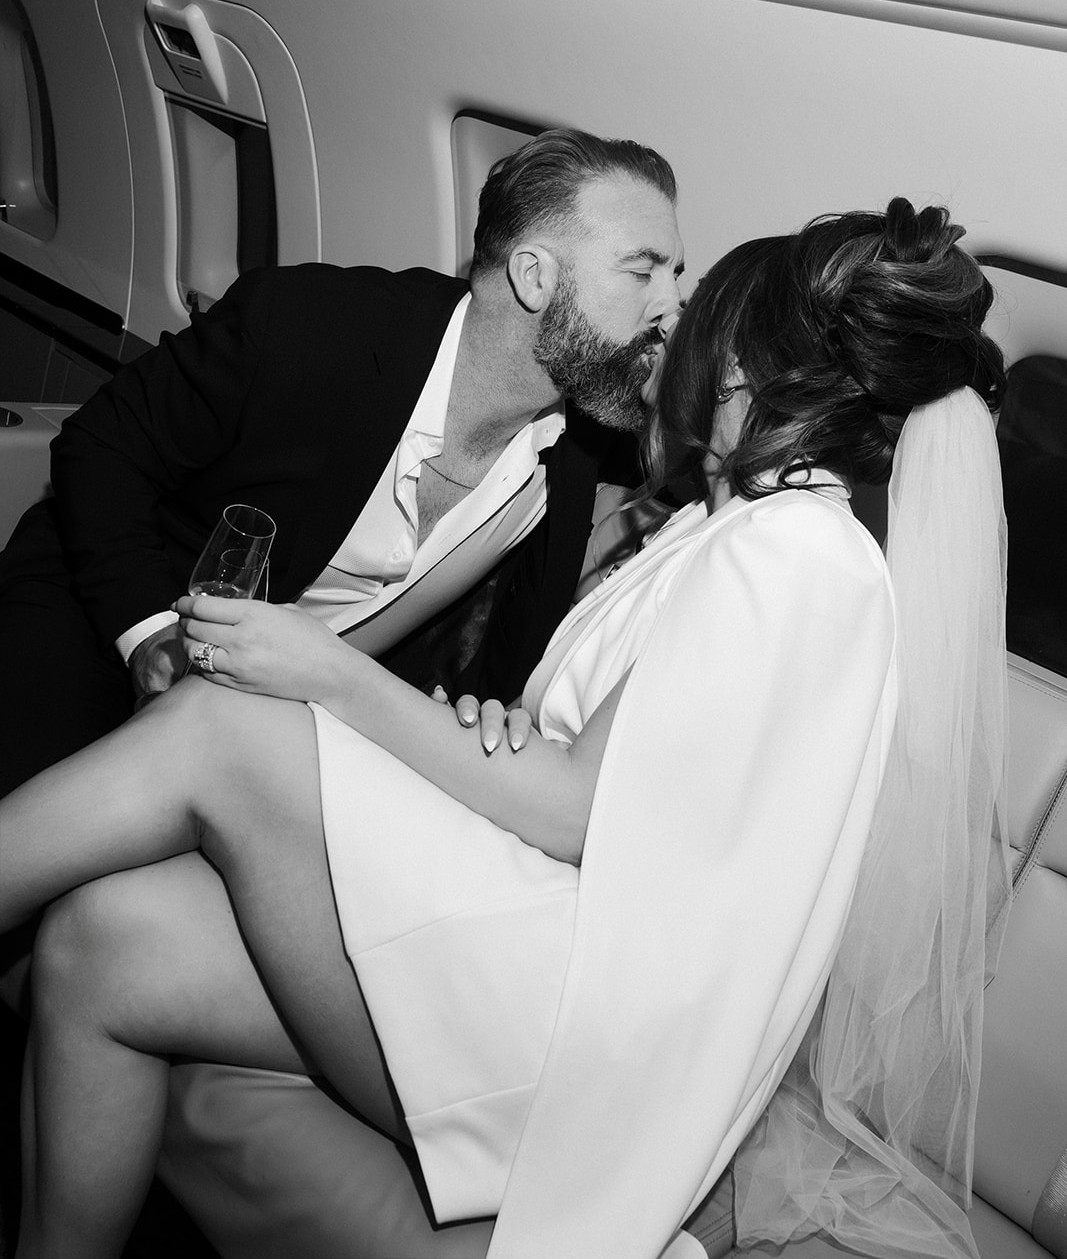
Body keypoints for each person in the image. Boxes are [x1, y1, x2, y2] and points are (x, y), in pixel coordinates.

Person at [0, 198, 1010, 1259]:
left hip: (569, 1033)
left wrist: (331, 675)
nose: (672, 333)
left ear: (741, 372)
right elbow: (617, 780)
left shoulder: (796, 555)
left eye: (698, 315)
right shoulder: (745, 532)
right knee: (98, 944)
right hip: (545, 958)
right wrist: (498, 729)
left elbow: (579, 810)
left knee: (219, 722)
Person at [0, 126, 684, 805]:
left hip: (279, 705)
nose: (668, 306)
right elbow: (102, 446)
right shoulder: (311, 325)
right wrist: (150, 635)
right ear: (535, 277)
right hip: (108, 605)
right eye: (641, 270)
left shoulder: (587, 441)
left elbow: (722, 462)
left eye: (675, 275)